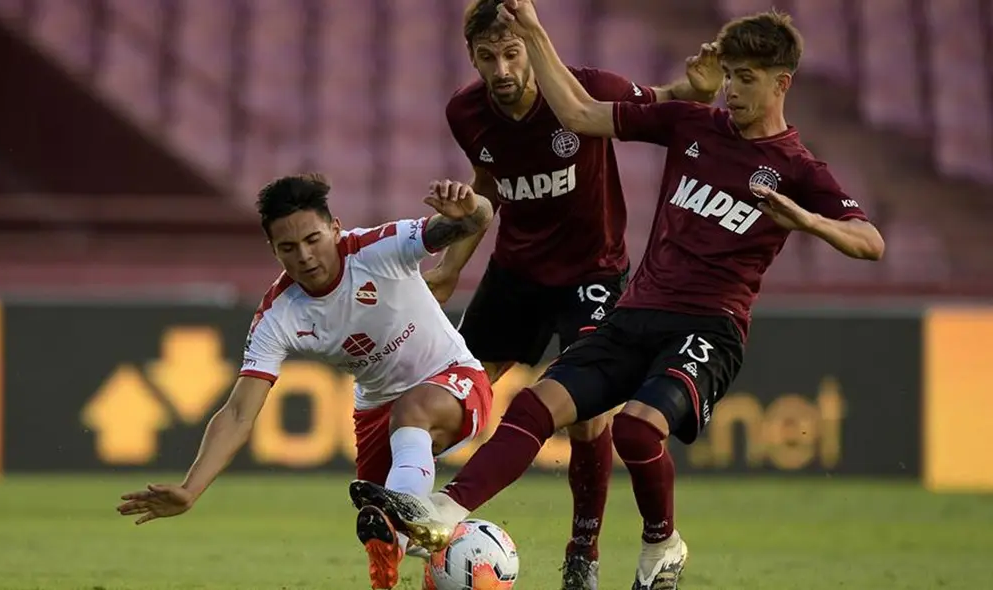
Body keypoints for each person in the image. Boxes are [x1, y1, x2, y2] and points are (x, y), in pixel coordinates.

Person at [350, 3, 885, 590]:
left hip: (709, 327)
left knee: (632, 430)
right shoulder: (691, 125)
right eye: (728, 76)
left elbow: (870, 242)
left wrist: (809, 221)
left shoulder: (800, 170)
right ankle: (443, 510)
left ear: (782, 83)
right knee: (532, 406)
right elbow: (580, 112)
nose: (730, 90)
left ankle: (660, 543)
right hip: (636, 311)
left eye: (746, 79)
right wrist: (531, 28)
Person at [419, 2, 723, 586]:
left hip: (593, 274)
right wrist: (455, 262)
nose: (502, 68)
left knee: (584, 417)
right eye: (489, 57)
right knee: (457, 394)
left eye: (512, 53)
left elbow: (662, 98)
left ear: (531, 48)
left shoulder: (584, 89)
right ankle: (410, 513)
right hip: (515, 274)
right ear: (472, 58)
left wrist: (696, 88)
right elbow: (488, 183)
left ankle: (583, 551)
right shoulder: (466, 112)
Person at [116, 174, 496, 590]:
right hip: (376, 412)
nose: (305, 257)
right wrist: (191, 489)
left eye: (313, 239)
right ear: (273, 250)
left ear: (335, 229)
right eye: (288, 248)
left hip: (453, 376)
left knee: (412, 419)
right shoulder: (279, 315)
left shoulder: (379, 247)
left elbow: (475, 219)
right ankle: (440, 549)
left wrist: (471, 208)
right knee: (382, 542)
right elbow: (241, 411)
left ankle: (412, 512)